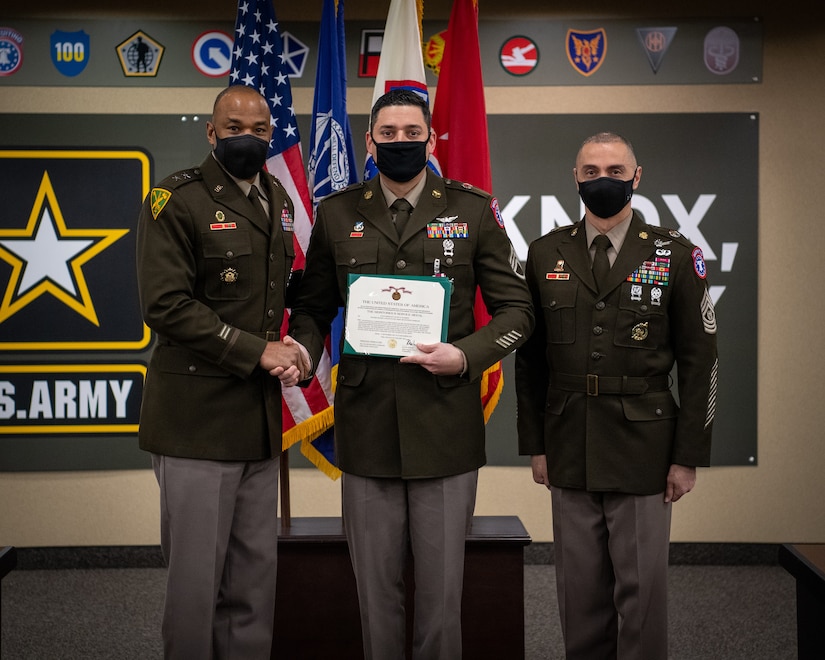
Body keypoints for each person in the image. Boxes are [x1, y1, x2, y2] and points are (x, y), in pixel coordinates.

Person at [287, 88, 534, 660]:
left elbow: (518, 312)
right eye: (389, 133)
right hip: (367, 425)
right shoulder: (338, 211)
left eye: (412, 132)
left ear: (430, 137)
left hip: (444, 422)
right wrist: (301, 349)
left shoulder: (473, 210)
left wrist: (466, 356)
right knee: (375, 594)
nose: (402, 142)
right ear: (370, 141)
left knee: (442, 596)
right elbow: (312, 308)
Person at [515, 131, 718, 659]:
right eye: (590, 172)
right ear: (575, 178)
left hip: (643, 446)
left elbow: (701, 362)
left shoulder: (676, 254)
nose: (602, 181)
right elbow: (530, 360)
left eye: (614, 171)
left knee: (641, 597)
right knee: (577, 596)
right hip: (569, 442)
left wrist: (687, 457)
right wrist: (536, 444)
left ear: (636, 176)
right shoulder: (544, 252)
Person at [135, 84, 307, 659]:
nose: (247, 138)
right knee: (195, 591)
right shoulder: (174, 199)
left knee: (253, 588)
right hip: (196, 424)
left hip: (257, 424)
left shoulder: (278, 198)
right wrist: (257, 350)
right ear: (211, 132)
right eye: (234, 128)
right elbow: (166, 306)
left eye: (258, 130)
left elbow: (285, 294)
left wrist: (296, 346)